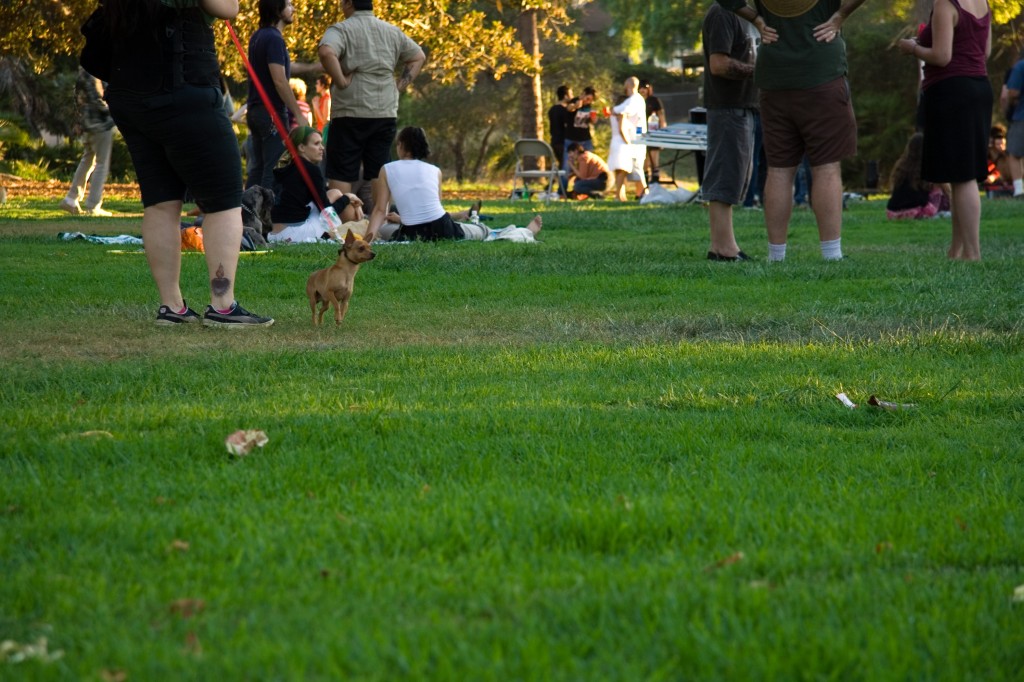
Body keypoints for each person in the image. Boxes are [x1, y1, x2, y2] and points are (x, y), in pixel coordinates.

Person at [103, 0, 273, 327]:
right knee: (224, 202)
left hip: (130, 93)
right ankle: (222, 305)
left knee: (161, 202)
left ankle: (172, 307)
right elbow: (227, 7)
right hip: (185, 86)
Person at [717, 0, 869, 262]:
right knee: (826, 167)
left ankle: (776, 255)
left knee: (778, 168)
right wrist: (840, 15)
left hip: (774, 77)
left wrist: (756, 19)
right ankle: (831, 254)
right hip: (822, 71)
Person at [898, 0, 991, 260]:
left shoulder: (945, 4)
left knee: (963, 176)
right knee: (959, 173)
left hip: (953, 92)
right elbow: (986, 52)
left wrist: (913, 48)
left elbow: (942, 56)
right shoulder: (982, 3)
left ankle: (973, 254)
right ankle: (956, 250)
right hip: (979, 87)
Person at [318, 0, 425, 210]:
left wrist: (340, 80)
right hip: (384, 109)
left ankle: (344, 222)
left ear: (349, 3)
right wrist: (399, 86)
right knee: (379, 168)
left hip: (350, 109)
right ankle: (380, 220)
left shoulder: (341, 29)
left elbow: (326, 52)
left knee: (343, 169)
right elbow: (417, 56)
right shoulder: (391, 31)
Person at [366, 127, 541, 244]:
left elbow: (380, 210)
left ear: (401, 146)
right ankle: (522, 232)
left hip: (411, 233)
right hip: (443, 228)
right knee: (485, 231)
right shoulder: (435, 170)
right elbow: (434, 211)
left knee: (384, 230)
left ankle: (525, 232)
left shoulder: (387, 169)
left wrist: (368, 240)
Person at [245, 0, 322, 190]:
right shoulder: (274, 39)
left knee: (258, 168)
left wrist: (313, 67)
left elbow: (284, 66)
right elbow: (279, 80)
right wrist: (298, 114)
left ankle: (248, 214)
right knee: (273, 169)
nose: (293, 9)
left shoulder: (258, 37)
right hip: (271, 113)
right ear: (277, 10)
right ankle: (265, 216)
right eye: (289, 5)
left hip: (256, 110)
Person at [701, 4, 757, 262]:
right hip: (726, 106)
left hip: (742, 106)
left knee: (736, 175)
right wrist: (759, 72)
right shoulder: (722, 13)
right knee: (724, 173)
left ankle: (725, 245)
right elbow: (719, 64)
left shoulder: (747, 14)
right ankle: (722, 248)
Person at [268, 126, 364, 243]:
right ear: (302, 147)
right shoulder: (310, 169)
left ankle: (343, 231)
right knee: (337, 195)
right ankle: (352, 228)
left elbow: (322, 193)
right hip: (294, 233)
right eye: (317, 144)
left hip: (274, 235)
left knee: (334, 193)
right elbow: (327, 211)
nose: (322, 148)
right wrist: (348, 197)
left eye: (321, 144)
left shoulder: (285, 166)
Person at [61, 68, 115, 217]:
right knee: (102, 164)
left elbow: (76, 97)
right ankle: (93, 205)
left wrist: (78, 120)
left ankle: (71, 198)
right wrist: (114, 114)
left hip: (87, 123)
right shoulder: (95, 72)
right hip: (100, 123)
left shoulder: (83, 71)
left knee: (88, 160)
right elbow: (97, 98)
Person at [886, 132, 950, 219]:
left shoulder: (901, 167)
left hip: (893, 213)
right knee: (938, 187)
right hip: (917, 212)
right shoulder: (928, 167)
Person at [610, 77, 648, 202]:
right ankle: (633, 194)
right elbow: (617, 112)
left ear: (629, 86)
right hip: (626, 140)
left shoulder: (635, 100)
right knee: (624, 168)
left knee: (635, 167)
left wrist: (627, 140)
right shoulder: (632, 100)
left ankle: (643, 193)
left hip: (634, 140)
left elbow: (622, 113)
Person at [1003, 48, 1024, 198]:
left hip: (1021, 115)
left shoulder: (1020, 66)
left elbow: (1011, 93)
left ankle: (1019, 190)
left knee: (1014, 153)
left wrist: (1008, 108)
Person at [547, 85, 574, 193]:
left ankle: (551, 186)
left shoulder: (552, 110)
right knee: (565, 166)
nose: (572, 97)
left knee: (561, 165)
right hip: (562, 142)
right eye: (570, 94)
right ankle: (561, 190)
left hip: (554, 141)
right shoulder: (563, 111)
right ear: (565, 96)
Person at [639, 80, 665, 185]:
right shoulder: (636, 101)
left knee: (654, 158)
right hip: (641, 132)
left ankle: (655, 180)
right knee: (644, 159)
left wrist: (663, 133)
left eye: (645, 88)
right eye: (640, 88)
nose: (642, 90)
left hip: (654, 132)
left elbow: (662, 117)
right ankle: (645, 183)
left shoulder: (654, 100)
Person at [564, 86, 597, 165]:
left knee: (589, 162)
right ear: (583, 94)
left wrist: (593, 118)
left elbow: (593, 121)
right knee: (567, 164)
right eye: (587, 99)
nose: (588, 101)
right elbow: (569, 108)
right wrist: (576, 106)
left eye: (591, 100)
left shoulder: (590, 106)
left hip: (585, 138)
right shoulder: (575, 101)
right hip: (571, 138)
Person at [985, 124, 1014, 195]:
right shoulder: (990, 155)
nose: (1001, 147)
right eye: (998, 144)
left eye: (1003, 144)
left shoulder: (1010, 156)